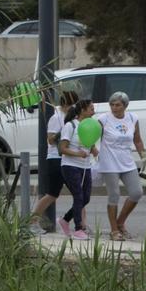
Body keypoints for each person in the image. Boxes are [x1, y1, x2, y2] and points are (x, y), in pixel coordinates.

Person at [94, 92, 146, 243]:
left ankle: (120, 221)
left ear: (125, 106)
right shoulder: (103, 119)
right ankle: (114, 230)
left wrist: (144, 157)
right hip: (109, 162)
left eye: (117, 105)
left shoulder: (132, 118)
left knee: (136, 192)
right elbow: (92, 137)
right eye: (112, 104)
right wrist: (94, 152)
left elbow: (137, 140)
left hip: (127, 161)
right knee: (114, 195)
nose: (114, 108)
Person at [27, 86, 75, 234]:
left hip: (70, 158)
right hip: (56, 159)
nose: (74, 108)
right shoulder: (56, 118)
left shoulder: (73, 117)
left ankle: (81, 225)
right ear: (66, 104)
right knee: (52, 194)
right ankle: (32, 222)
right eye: (73, 105)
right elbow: (50, 140)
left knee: (79, 194)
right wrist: (63, 133)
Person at [55, 94, 94, 241]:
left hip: (85, 166)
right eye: (91, 109)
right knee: (78, 196)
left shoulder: (90, 126)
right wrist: (78, 154)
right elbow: (62, 149)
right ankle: (78, 229)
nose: (93, 112)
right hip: (70, 166)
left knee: (86, 198)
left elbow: (90, 144)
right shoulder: (70, 126)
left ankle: (65, 220)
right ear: (82, 110)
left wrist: (94, 151)